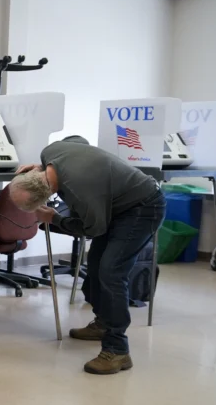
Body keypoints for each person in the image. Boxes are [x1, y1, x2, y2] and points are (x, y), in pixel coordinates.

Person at [8, 136, 165, 375]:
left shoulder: (81, 193)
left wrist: (55, 218)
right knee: (95, 265)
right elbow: (78, 140)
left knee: (111, 272)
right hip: (116, 204)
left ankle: (117, 350)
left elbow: (94, 229)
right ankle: (103, 322)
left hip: (144, 207)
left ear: (46, 197)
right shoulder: (50, 151)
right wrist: (41, 168)